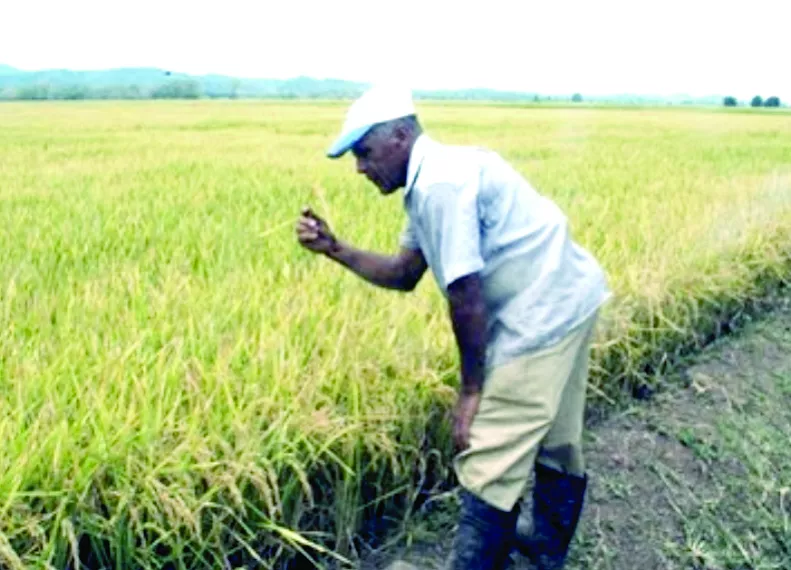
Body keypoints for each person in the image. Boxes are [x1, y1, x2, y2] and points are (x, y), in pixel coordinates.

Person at [295, 85, 611, 570]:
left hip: (542, 314)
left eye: (364, 152)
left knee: (488, 457)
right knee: (558, 438)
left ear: (400, 136)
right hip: (573, 295)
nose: (359, 167)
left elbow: (465, 295)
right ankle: (545, 549)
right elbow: (404, 273)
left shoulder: (439, 186)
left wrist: (470, 393)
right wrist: (335, 248)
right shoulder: (434, 179)